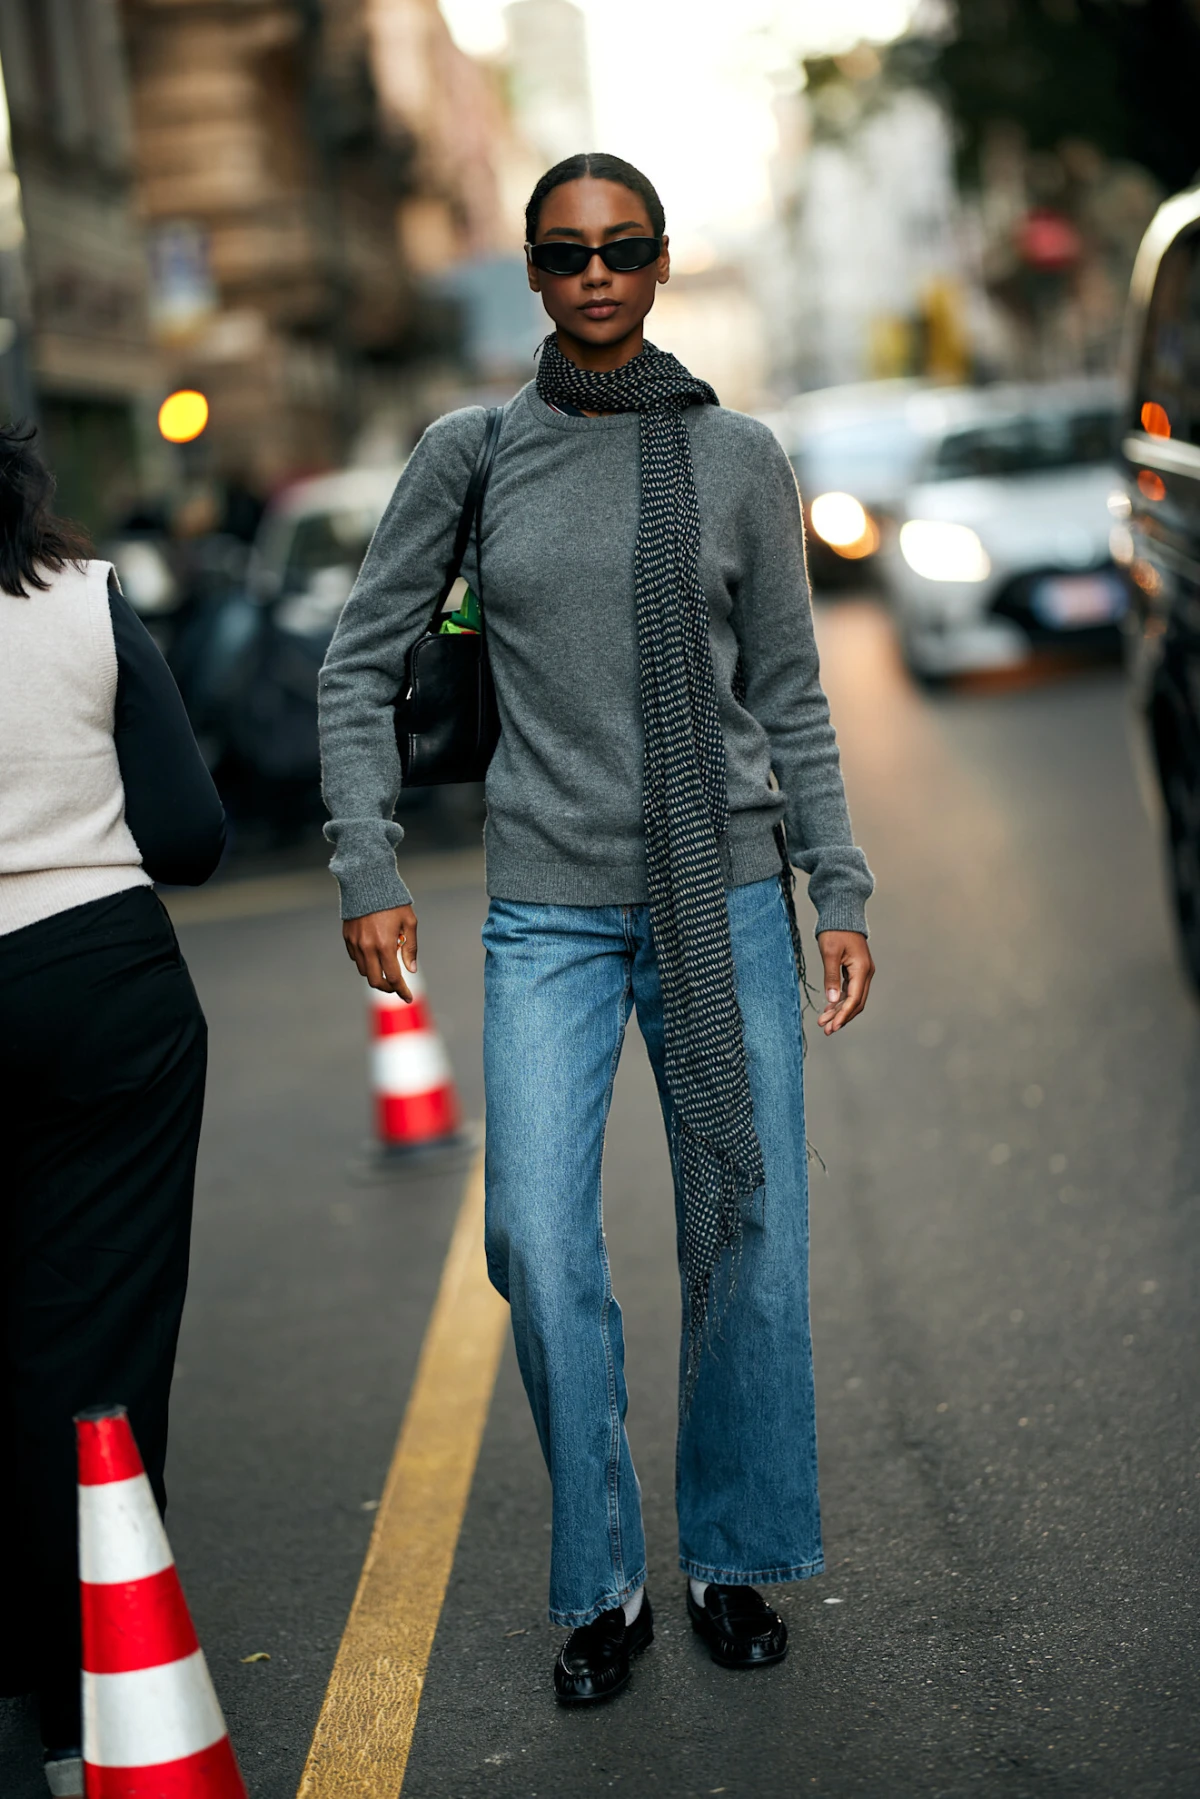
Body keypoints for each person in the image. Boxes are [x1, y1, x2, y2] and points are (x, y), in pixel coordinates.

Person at [319, 152, 875, 1705]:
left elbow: (794, 697)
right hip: (550, 909)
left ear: (664, 261)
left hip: (729, 893)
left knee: (752, 1227)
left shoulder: (739, 455)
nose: (597, 276)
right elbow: (359, 665)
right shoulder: (473, 453)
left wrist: (839, 885)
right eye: (566, 255)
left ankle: (732, 1554)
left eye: (623, 249)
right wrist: (366, 863)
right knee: (539, 1244)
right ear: (532, 273)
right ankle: (606, 1575)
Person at [0, 425, 225, 1792]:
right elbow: (193, 833)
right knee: (93, 1351)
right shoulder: (81, 600)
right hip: (100, 987)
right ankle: (99, 1708)